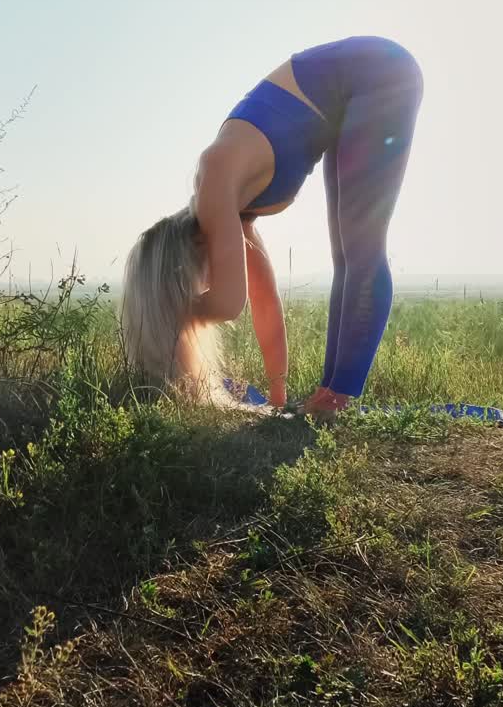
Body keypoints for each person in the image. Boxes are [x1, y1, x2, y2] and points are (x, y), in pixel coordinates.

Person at [122, 36, 423, 422]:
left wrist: (171, 315)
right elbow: (264, 301)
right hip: (350, 91)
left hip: (378, 73)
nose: (205, 283)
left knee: (361, 247)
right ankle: (328, 395)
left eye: (193, 284)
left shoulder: (215, 186)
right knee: (346, 255)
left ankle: (337, 399)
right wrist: (276, 394)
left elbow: (231, 305)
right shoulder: (233, 210)